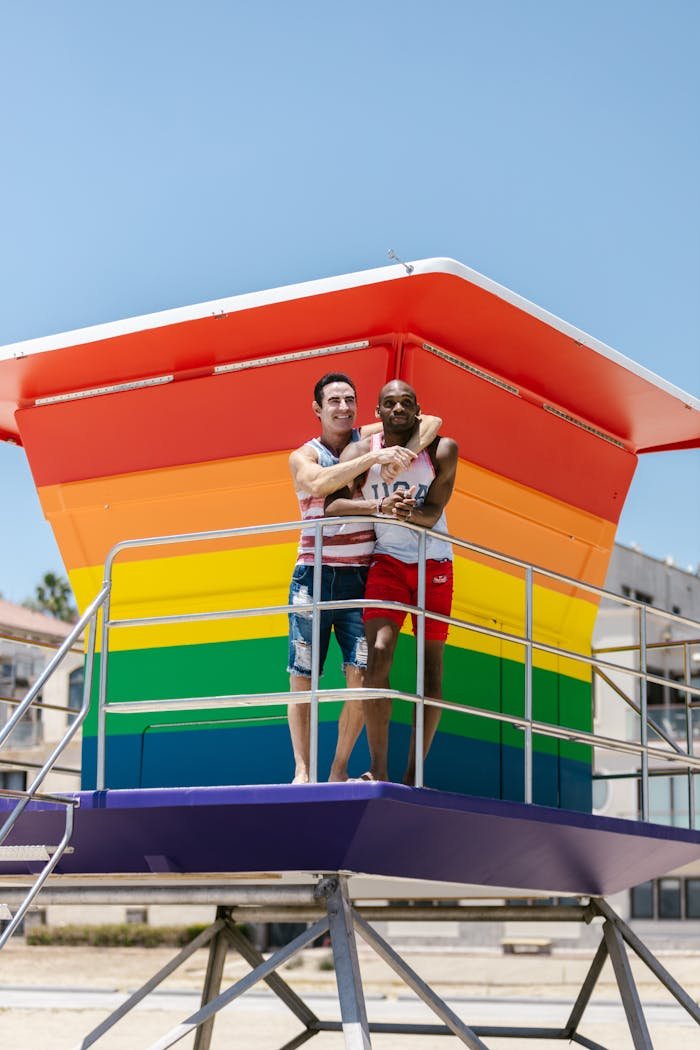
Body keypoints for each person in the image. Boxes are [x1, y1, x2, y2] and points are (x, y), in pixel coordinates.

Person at [287, 372, 441, 783]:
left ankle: (338, 767)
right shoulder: (306, 454)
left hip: (360, 574)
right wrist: (374, 459)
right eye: (333, 401)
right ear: (318, 408)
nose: (343, 407)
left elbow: (431, 422)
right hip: (313, 575)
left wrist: (401, 454)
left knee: (359, 674)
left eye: (349, 400)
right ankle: (302, 769)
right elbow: (319, 484)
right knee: (303, 676)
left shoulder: (368, 435)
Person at [325, 379, 458, 784]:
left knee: (430, 672)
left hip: (435, 564)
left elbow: (433, 511)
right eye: (389, 403)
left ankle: (413, 774)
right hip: (388, 563)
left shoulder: (442, 449)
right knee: (377, 657)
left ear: (417, 410)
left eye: (406, 403)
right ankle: (378, 767)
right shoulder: (361, 451)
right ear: (378, 413)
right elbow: (332, 505)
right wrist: (379, 507)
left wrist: (403, 512)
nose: (398, 408)